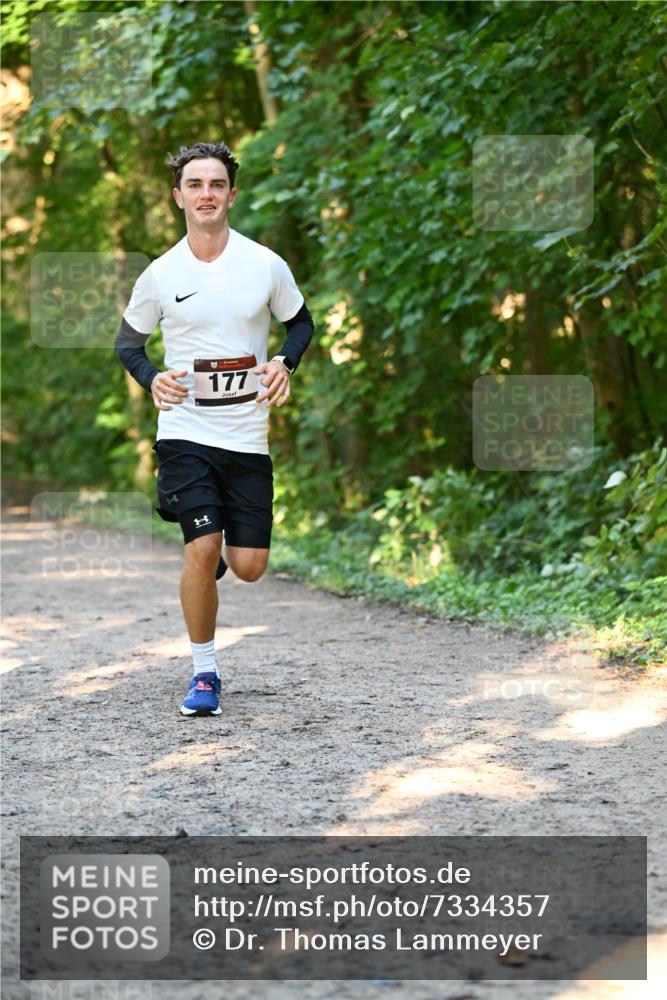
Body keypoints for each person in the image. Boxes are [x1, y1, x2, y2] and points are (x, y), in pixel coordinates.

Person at [115, 141, 314, 717]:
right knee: (201, 549)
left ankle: (221, 553)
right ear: (178, 196)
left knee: (248, 568)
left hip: (247, 435)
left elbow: (300, 324)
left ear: (231, 194)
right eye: (195, 184)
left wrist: (283, 363)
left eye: (216, 184)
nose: (206, 194)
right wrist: (152, 378)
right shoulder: (161, 273)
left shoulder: (264, 264)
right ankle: (205, 673)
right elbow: (130, 344)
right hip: (185, 431)